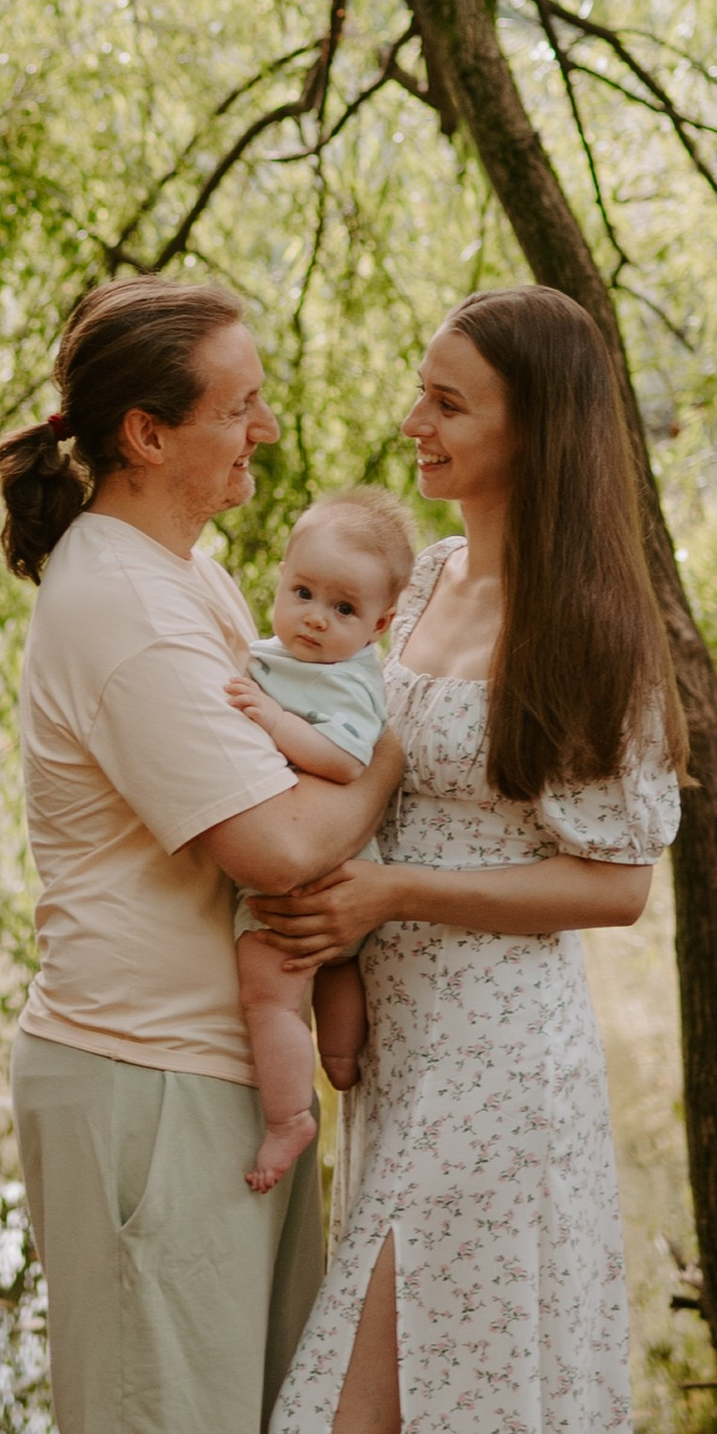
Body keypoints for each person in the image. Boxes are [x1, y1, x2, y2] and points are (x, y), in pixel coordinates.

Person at [188, 285, 703, 1434]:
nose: (415, 421)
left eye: (450, 403)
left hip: (502, 1069)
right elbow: (352, 754)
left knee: (353, 1425)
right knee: (544, 1406)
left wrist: (398, 884)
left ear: (536, 431)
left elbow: (616, 880)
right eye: (421, 393)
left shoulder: (590, 620)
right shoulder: (421, 579)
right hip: (407, 1058)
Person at [0, 278, 407, 1434]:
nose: (264, 428)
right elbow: (280, 849)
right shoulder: (120, 602)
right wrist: (397, 761)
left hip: (221, 1070)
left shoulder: (186, 572)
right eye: (239, 404)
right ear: (148, 431)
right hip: (140, 1072)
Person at [221, 490, 420, 1192]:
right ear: (278, 578)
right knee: (338, 1008)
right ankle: (337, 1065)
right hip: (345, 892)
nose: (314, 619)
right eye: (302, 592)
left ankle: (288, 1120)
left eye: (343, 610)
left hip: (311, 892)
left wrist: (272, 721)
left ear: (380, 624)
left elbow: (343, 762)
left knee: (271, 1002)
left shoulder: (347, 681)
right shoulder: (276, 655)